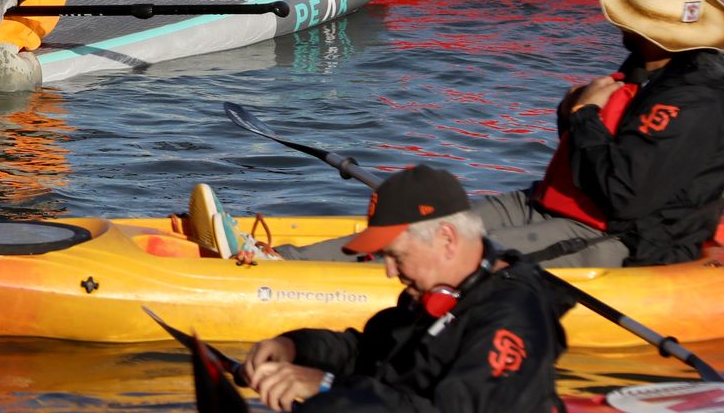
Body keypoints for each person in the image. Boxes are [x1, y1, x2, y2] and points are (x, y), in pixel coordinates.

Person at [208, 0, 724, 268]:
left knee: (451, 257)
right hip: (548, 207)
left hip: (619, 239)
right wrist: (578, 113)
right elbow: (596, 152)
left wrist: (583, 117)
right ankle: (286, 260)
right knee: (425, 222)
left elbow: (626, 193)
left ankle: (288, 282)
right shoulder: (652, 71)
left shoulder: (697, 103)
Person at [239, 165, 566, 413]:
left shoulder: (511, 317)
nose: (389, 271)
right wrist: (294, 346)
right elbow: (366, 351)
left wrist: (327, 388)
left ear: (447, 239)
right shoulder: (439, 293)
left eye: (396, 256)